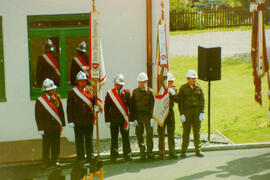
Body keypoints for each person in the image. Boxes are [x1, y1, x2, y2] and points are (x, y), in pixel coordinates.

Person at [35, 78, 65, 167]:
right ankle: (45, 161)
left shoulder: (57, 97)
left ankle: (55, 160)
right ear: (46, 91)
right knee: (46, 145)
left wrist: (62, 123)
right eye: (51, 89)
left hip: (56, 126)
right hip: (46, 127)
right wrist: (40, 128)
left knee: (56, 144)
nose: (53, 90)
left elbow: (61, 111)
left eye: (53, 89)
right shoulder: (40, 100)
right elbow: (38, 116)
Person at [67, 71, 96, 162]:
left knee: (88, 139)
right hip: (78, 120)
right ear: (77, 82)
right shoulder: (72, 92)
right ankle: (80, 157)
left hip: (88, 119)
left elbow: (94, 102)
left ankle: (90, 156)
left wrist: (96, 108)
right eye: (80, 81)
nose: (82, 82)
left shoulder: (91, 90)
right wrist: (70, 120)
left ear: (86, 81)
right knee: (79, 140)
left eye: (84, 81)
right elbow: (69, 108)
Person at [104, 74, 134, 162]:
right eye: (116, 84)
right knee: (114, 138)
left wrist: (131, 119)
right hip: (113, 120)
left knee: (126, 138)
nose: (118, 86)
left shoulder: (127, 93)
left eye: (120, 84)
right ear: (114, 84)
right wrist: (107, 120)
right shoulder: (110, 93)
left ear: (122, 85)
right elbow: (106, 108)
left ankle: (127, 154)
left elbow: (131, 107)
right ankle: (114, 156)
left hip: (124, 120)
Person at [178, 69, 205, 158]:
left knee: (196, 132)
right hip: (187, 112)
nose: (194, 80)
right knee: (186, 132)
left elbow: (202, 101)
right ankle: (183, 151)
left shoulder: (199, 88)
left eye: (195, 78)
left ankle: (198, 150)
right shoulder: (183, 88)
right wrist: (181, 114)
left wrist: (202, 112)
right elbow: (180, 102)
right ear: (188, 78)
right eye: (192, 78)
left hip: (196, 112)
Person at [130, 72, 155, 160]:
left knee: (149, 134)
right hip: (138, 115)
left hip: (148, 115)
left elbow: (153, 105)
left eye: (143, 82)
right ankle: (142, 153)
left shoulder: (150, 91)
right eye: (139, 82)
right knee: (139, 134)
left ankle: (150, 153)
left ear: (146, 81)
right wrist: (133, 119)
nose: (141, 84)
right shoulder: (135, 92)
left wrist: (153, 117)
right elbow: (132, 106)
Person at [157, 72, 178, 159]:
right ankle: (162, 152)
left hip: (170, 113)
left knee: (171, 133)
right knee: (161, 133)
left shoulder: (174, 89)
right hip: (161, 112)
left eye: (172, 81)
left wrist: (173, 94)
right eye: (170, 81)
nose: (171, 83)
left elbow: (177, 100)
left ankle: (172, 151)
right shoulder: (160, 88)